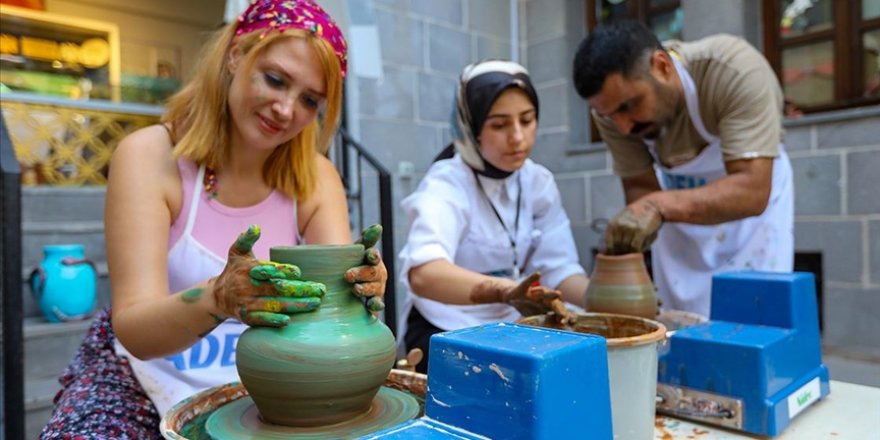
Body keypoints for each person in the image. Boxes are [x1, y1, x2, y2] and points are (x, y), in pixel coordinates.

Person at [40, 1, 387, 437]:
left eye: (309, 100)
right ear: (236, 54)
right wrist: (218, 299)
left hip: (272, 385)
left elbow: (338, 320)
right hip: (146, 376)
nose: (285, 109)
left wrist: (362, 289)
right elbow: (134, 331)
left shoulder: (316, 178)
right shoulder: (151, 157)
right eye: (275, 80)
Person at [572, 20, 794, 317]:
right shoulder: (611, 112)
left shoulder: (732, 70)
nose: (623, 127)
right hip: (676, 214)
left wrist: (655, 205)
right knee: (680, 326)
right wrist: (627, 243)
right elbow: (640, 188)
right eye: (609, 115)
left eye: (629, 106)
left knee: (753, 320)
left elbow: (752, 189)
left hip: (751, 218)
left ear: (662, 66)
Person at [398, 60, 590, 373]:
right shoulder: (447, 182)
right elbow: (425, 274)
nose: (518, 137)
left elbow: (558, 266)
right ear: (469, 127)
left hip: (514, 327)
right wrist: (504, 291)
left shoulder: (537, 181)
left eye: (527, 120)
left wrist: (601, 297)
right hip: (446, 327)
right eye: (499, 125)